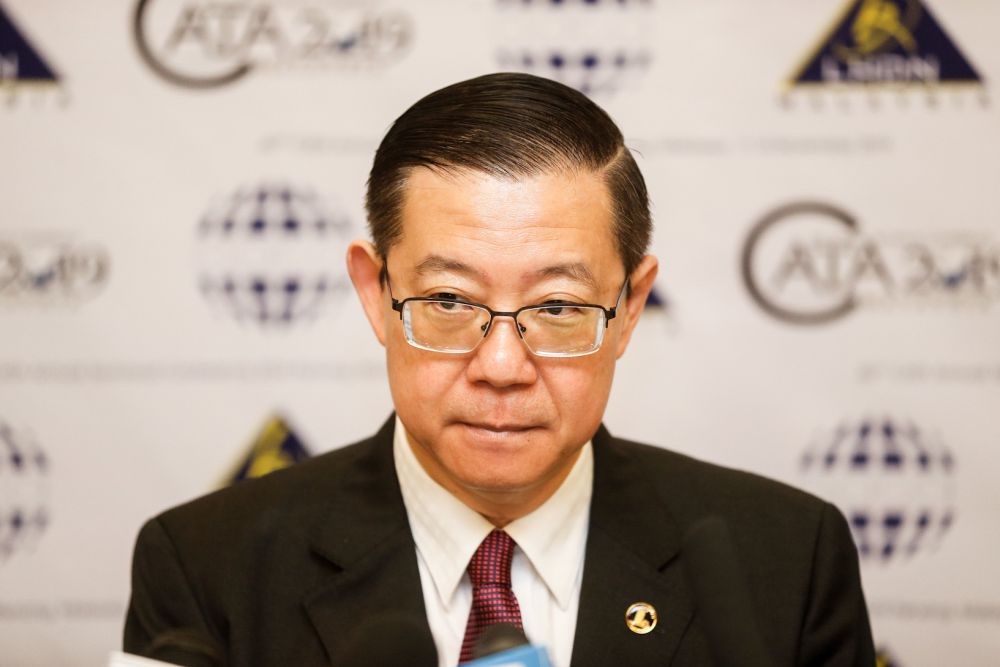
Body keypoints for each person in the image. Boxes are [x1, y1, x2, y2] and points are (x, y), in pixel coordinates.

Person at [124, 73, 874, 667]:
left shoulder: (785, 559)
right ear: (376, 294)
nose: (504, 366)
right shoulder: (206, 568)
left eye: (556, 307)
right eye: (449, 299)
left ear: (631, 304)